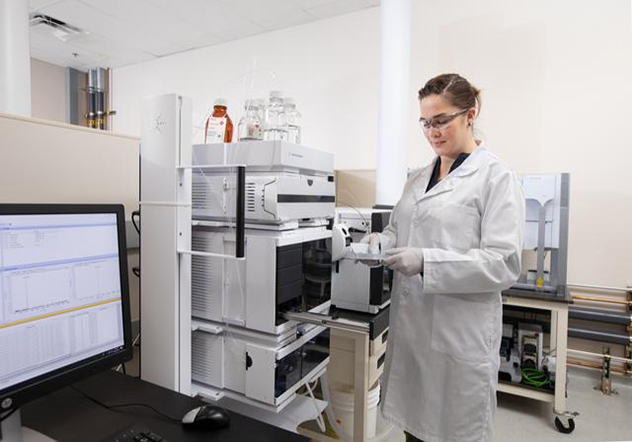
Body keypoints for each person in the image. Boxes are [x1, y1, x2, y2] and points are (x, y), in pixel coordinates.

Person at [361, 73, 525, 442]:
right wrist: (379, 242)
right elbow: (399, 231)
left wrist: (428, 262)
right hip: (413, 334)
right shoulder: (417, 179)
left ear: (470, 114)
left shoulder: (495, 178)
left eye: (441, 120)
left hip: (458, 338)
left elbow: (503, 262)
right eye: (425, 122)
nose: (432, 132)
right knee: (414, 434)